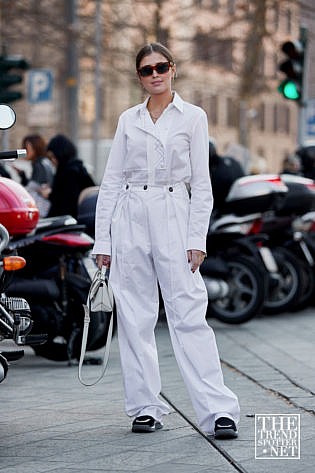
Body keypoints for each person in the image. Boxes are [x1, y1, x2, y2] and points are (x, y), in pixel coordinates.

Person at [92, 42, 240, 438]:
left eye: (161, 67)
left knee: (189, 314)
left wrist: (197, 238)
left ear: (173, 69)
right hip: (131, 216)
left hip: (175, 211)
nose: (154, 74)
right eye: (145, 70)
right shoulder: (128, 119)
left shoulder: (193, 117)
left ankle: (218, 411)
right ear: (139, 76)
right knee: (135, 316)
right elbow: (110, 182)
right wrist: (102, 242)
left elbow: (202, 184)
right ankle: (144, 407)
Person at [46, 134, 95, 218]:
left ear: (60, 154)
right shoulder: (80, 168)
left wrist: (49, 195)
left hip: (69, 221)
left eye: (53, 157)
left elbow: (64, 204)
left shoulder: (67, 173)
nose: (52, 161)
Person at [19, 134, 55, 217]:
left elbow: (34, 186)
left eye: (26, 148)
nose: (24, 151)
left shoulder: (39, 164)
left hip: (41, 208)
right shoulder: (44, 161)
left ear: (35, 148)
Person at [209, 140, 245, 214]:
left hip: (227, 210)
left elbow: (215, 198)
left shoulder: (217, 170)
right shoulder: (232, 161)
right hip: (240, 206)